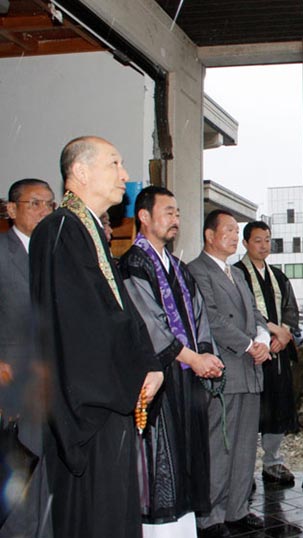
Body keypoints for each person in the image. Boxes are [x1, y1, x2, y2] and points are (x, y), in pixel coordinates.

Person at [29, 136, 164, 538]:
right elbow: (82, 324)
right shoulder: (60, 230)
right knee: (95, 519)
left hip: (109, 398)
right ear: (81, 172)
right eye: (114, 163)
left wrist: (150, 363)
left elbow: (119, 310)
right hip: (89, 406)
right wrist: (138, 368)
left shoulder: (86, 228)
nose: (125, 174)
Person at [119, 186, 225, 537]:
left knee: (188, 464)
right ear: (144, 216)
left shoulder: (178, 267)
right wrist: (193, 358)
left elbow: (199, 315)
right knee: (161, 467)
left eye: (178, 213)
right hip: (158, 380)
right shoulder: (133, 264)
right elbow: (149, 324)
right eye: (168, 212)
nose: (175, 219)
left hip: (187, 379)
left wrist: (206, 355)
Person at [188, 210, 271, 538]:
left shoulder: (236, 273)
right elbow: (210, 317)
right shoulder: (197, 271)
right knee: (219, 446)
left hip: (250, 371)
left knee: (245, 446)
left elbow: (255, 313)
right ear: (210, 235)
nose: (236, 237)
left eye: (238, 231)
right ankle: (211, 516)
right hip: (223, 372)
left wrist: (263, 339)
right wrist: (249, 344)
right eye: (230, 231)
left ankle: (237, 509)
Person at [0, 178, 55, 537]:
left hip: (53, 382)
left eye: (49, 204)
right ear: (11, 209)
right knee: (18, 471)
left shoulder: (55, 254)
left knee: (48, 473)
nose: (43, 211)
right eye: (34, 203)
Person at [234, 221, 300, 487]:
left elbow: (291, 310)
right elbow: (242, 312)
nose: (264, 246)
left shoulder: (278, 276)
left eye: (267, 240)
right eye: (258, 240)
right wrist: (271, 331)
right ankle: (244, 471)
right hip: (252, 352)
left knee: (277, 407)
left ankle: (272, 462)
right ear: (245, 243)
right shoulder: (237, 274)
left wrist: (284, 335)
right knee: (250, 412)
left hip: (278, 354)